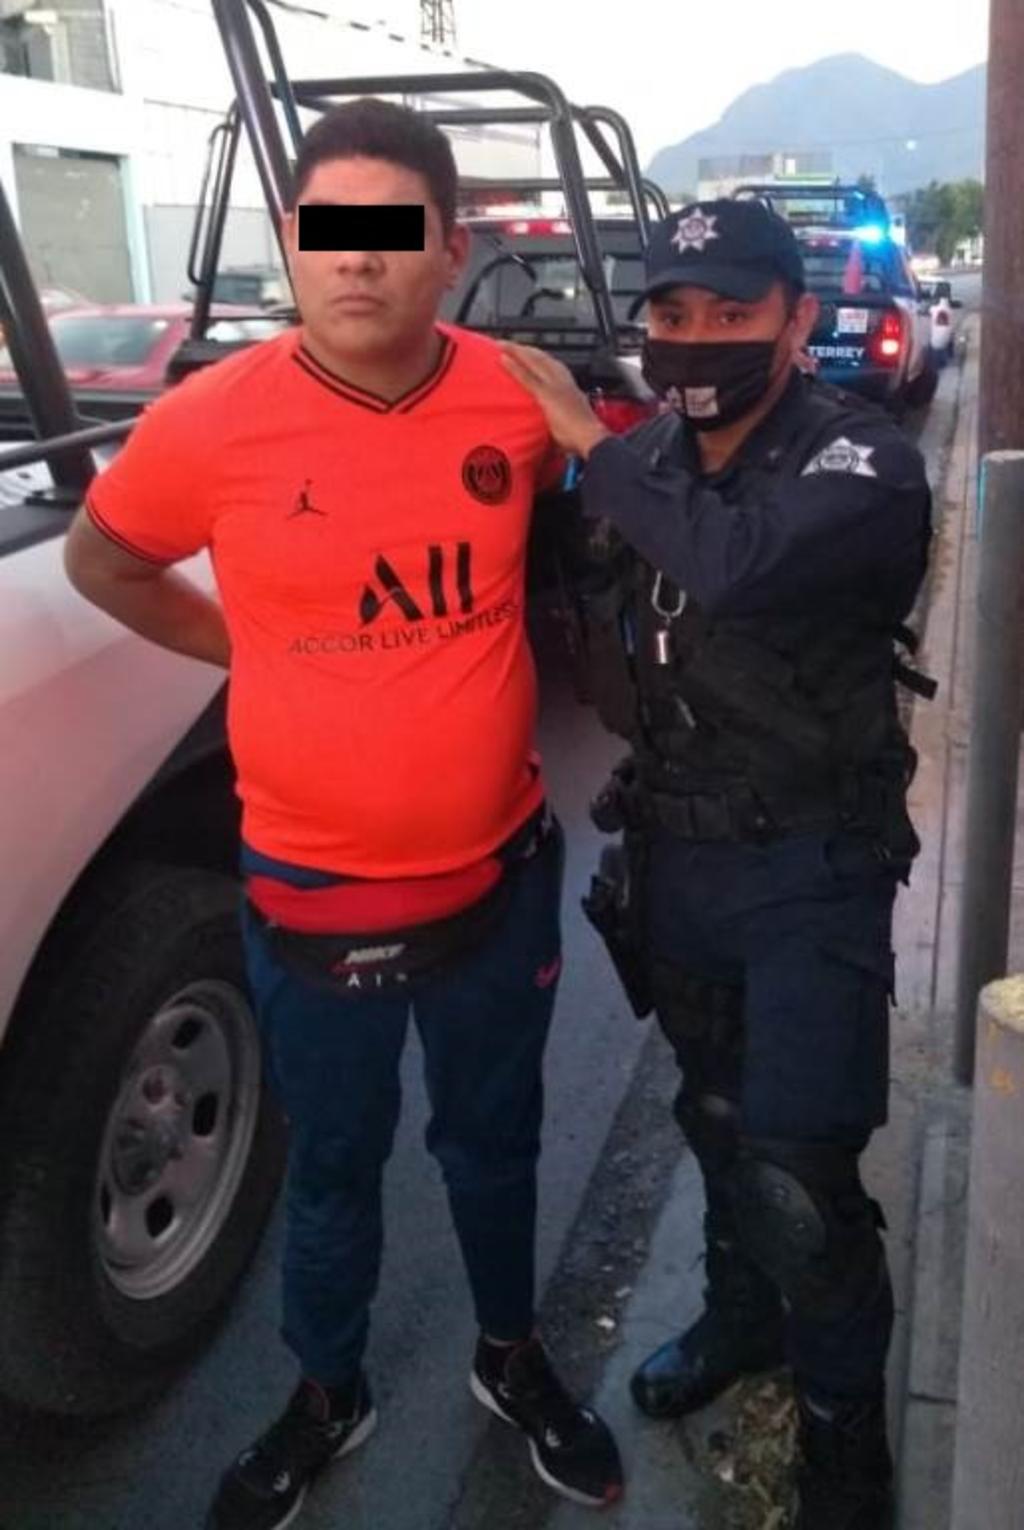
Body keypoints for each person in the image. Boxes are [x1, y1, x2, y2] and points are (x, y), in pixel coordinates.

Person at [65, 99, 622, 1530]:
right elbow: (101, 561)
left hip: (499, 877)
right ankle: (327, 1392)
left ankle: (510, 1356)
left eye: (390, 232)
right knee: (330, 1166)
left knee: (493, 1143)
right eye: (330, 231)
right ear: (294, 245)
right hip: (310, 895)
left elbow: (643, 516)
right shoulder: (212, 421)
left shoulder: (517, 396)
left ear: (449, 251)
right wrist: (246, 648)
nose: (357, 260)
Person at [500, 197, 932, 1530]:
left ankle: (846, 1444)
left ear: (798, 321)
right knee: (715, 1119)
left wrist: (590, 446)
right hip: (675, 861)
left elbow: (737, 566)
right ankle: (742, 1321)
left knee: (803, 1181)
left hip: (809, 868)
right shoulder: (647, 460)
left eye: (732, 312)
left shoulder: (859, 460)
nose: (695, 340)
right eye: (673, 314)